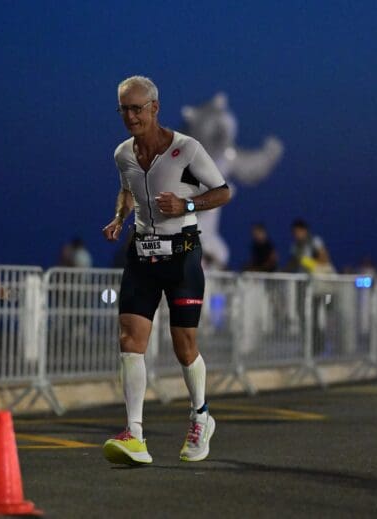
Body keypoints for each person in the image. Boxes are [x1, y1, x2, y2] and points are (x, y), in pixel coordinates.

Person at [101, 76, 231, 464]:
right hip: (142, 255)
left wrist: (187, 207)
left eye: (137, 108)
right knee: (130, 339)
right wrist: (118, 218)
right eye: (124, 109)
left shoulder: (187, 149)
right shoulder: (122, 153)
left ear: (155, 108)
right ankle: (135, 435)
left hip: (183, 253)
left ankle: (201, 416)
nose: (130, 116)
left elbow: (222, 190)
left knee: (183, 344)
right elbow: (127, 189)